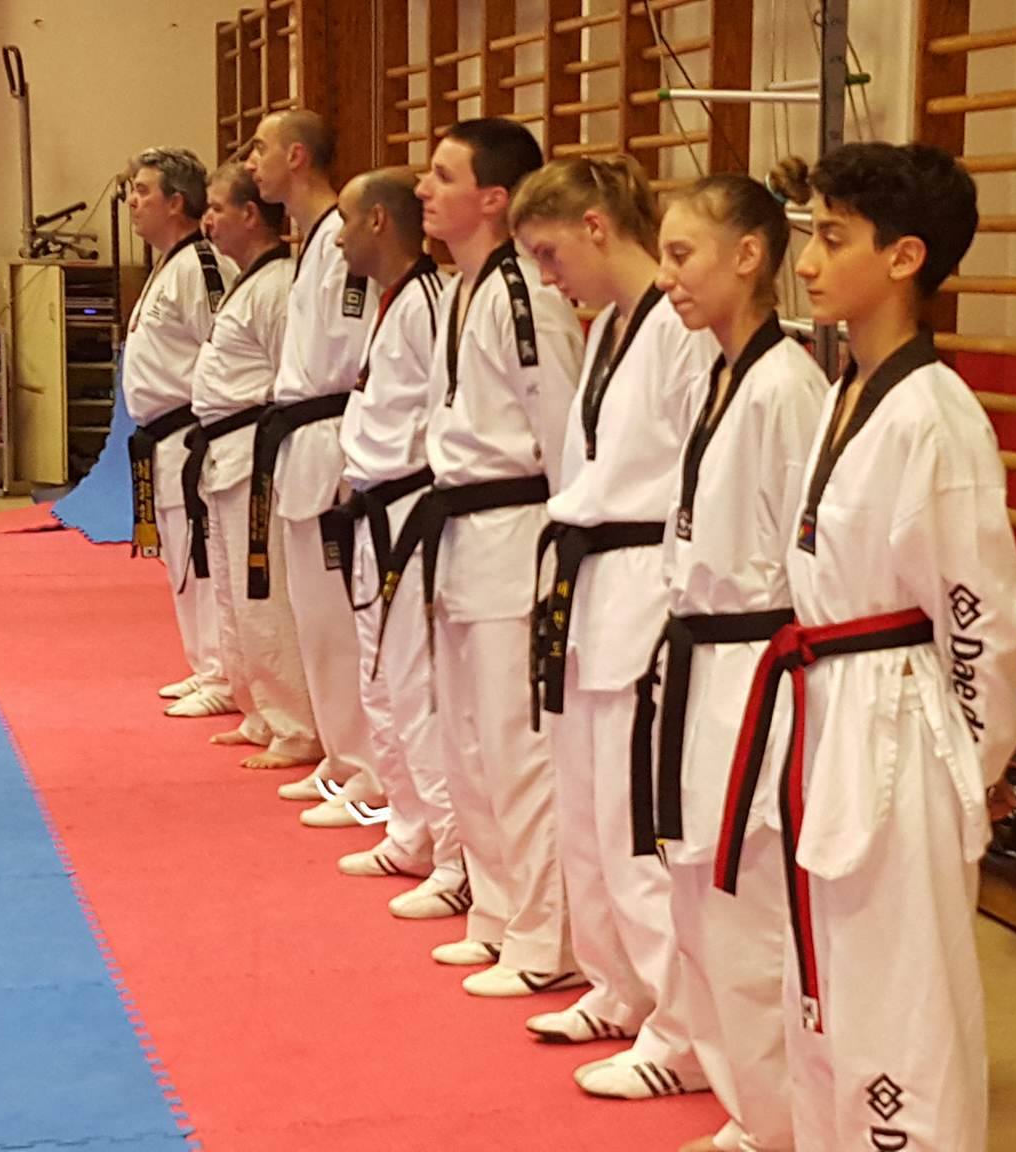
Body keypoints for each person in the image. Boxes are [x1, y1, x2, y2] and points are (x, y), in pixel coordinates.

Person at [716, 145, 1016, 1152]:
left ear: (903, 257)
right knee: (825, 984)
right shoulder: (846, 385)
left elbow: (980, 612)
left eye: (832, 238)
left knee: (899, 998)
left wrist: (975, 765)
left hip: (898, 725)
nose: (806, 261)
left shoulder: (936, 417)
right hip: (826, 702)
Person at [507, 156, 716, 1100]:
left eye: (552, 253)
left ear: (597, 226)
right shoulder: (609, 330)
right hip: (590, 585)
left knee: (637, 829)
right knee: (588, 813)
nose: (548, 276)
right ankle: (619, 987)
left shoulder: (679, 331)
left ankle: (682, 1035)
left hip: (646, 585)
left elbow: (699, 481)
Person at [640, 173, 828, 1152]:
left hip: (756, 667)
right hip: (703, 659)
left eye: (682, 255)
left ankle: (784, 1126)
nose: (665, 276)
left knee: (749, 908)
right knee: (701, 895)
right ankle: (751, 1109)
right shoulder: (719, 372)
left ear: (747, 256)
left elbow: (811, 559)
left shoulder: (786, 387)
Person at [385, 117, 583, 995]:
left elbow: (563, 435)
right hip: (460, 533)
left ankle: (547, 942)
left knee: (516, 747)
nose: (422, 188)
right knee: (467, 741)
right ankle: (497, 915)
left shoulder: (526, 296)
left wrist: (563, 558)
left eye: (442, 174)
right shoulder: (461, 288)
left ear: (494, 198)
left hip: (516, 536)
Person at [325, 168, 470, 919]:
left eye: (347, 222)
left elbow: (447, 417)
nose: (337, 239)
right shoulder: (393, 302)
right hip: (375, 507)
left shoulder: (429, 303)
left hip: (411, 508)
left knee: (416, 688)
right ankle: (410, 829)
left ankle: (455, 856)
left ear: (379, 222)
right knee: (380, 681)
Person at [243, 110, 388, 819]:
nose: (251, 162)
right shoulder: (312, 242)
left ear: (297, 156)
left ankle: (367, 772)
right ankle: (339, 757)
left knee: (337, 620)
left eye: (261, 149)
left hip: (330, 435)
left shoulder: (340, 241)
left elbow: (353, 353)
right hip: (301, 435)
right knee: (314, 620)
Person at [188, 163, 321, 770]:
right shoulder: (249, 281)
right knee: (235, 597)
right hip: (224, 453)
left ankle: (296, 724)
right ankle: (260, 708)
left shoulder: (278, 286)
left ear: (249, 214)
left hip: (253, 454)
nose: (207, 220)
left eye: (217, 208)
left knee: (264, 597)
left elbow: (287, 380)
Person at [116, 148, 243, 721]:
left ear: (176, 202)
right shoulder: (169, 263)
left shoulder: (201, 265)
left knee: (204, 556)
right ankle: (204, 662)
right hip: (161, 434)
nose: (132, 201)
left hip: (192, 432)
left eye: (143, 190)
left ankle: (223, 674)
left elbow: (224, 349)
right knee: (181, 557)